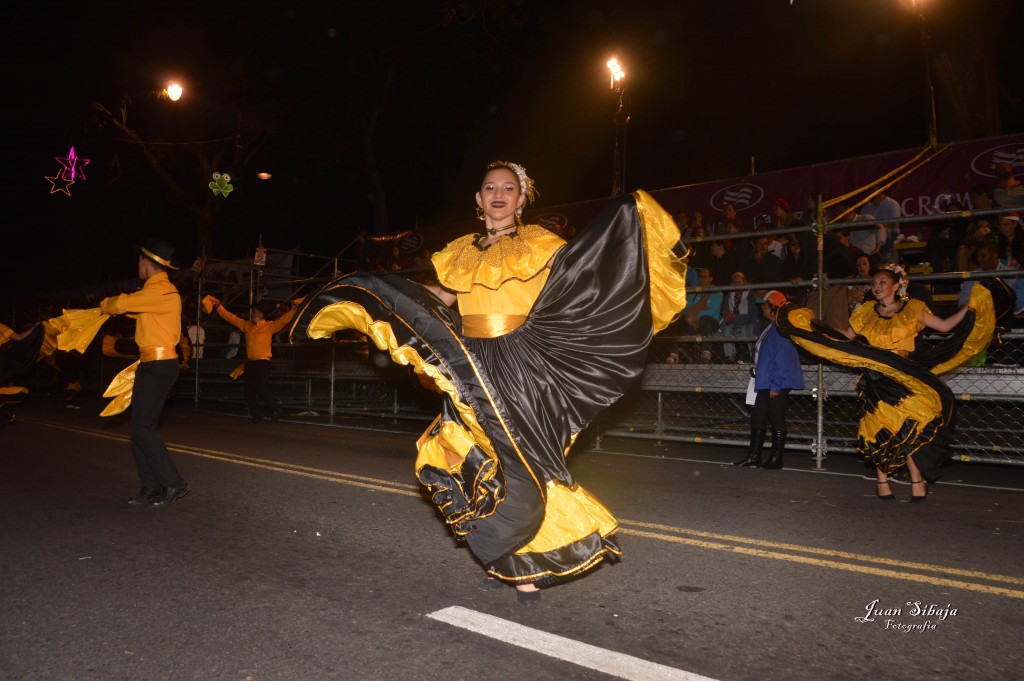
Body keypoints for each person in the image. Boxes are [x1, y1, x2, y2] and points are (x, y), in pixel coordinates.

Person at [290, 161, 687, 605]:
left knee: (526, 463)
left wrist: (623, 237)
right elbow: (440, 300)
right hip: (471, 364)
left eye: (509, 188)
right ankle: (509, 559)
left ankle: (518, 561)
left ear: (522, 199)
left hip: (523, 365)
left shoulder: (542, 243)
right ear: (479, 200)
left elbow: (580, 275)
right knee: (471, 457)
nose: (499, 194)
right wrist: (386, 303)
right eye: (490, 188)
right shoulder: (459, 250)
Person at [778, 264, 999, 502]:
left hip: (905, 378)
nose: (876, 286)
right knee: (880, 430)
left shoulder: (913, 308)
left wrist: (969, 308)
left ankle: (917, 482)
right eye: (874, 283)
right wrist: (815, 333)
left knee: (912, 429)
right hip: (876, 380)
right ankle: (882, 483)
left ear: (898, 285)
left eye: (882, 282)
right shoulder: (865, 312)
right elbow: (844, 338)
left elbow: (945, 327)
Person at [99, 237, 189, 507]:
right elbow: (136, 311)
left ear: (146, 263)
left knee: (143, 427)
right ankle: (150, 485)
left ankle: (174, 483)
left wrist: (106, 305)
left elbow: (122, 304)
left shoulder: (161, 291)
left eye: (139, 260)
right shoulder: (155, 294)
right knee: (138, 428)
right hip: (151, 364)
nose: (137, 264)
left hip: (159, 365)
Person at [733, 290, 804, 469]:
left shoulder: (780, 329)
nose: (762, 307)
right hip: (767, 380)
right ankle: (754, 456)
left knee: (776, 418)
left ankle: (776, 458)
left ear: (774, 308)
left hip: (775, 381)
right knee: (758, 416)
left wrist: (776, 384)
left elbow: (781, 358)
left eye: (765, 304)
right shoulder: (772, 327)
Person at [207, 296, 299, 423]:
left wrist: (293, 310)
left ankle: (275, 407)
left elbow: (283, 321)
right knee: (248, 390)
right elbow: (231, 318)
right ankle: (257, 415)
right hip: (250, 362)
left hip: (263, 362)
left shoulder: (268, 326)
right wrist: (219, 307)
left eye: (256, 312)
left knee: (261, 387)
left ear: (262, 314)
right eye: (253, 312)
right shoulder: (246, 325)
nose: (253, 314)